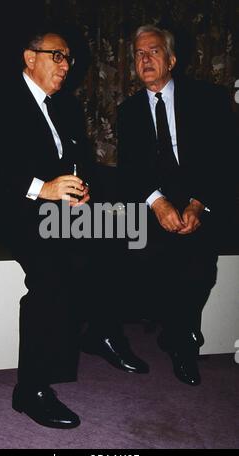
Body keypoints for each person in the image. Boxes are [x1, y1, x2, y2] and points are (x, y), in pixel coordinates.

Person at [0, 23, 148, 429]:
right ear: (29, 57)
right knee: (52, 268)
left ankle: (102, 332)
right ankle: (30, 389)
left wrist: (82, 188)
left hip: (57, 209)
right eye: (57, 55)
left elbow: (79, 161)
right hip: (11, 208)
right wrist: (44, 189)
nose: (66, 65)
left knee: (126, 229)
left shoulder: (67, 106)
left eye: (69, 58)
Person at [117, 24, 238, 386]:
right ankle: (179, 332)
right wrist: (158, 204)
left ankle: (178, 338)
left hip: (204, 201)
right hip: (154, 206)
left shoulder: (208, 99)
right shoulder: (128, 112)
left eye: (153, 51)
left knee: (200, 266)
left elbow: (225, 161)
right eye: (139, 54)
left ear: (171, 59)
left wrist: (199, 205)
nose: (145, 59)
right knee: (145, 255)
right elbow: (131, 173)